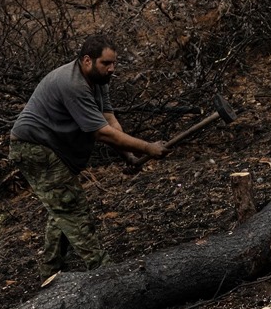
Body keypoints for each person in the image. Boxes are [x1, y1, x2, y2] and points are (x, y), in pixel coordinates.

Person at [9, 34, 167, 277]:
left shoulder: (98, 81)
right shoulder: (73, 85)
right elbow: (102, 134)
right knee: (73, 210)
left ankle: (50, 274)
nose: (112, 69)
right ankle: (105, 273)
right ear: (87, 60)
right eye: (106, 63)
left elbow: (110, 120)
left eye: (114, 63)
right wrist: (147, 147)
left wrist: (129, 157)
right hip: (34, 148)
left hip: (51, 148)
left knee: (61, 209)